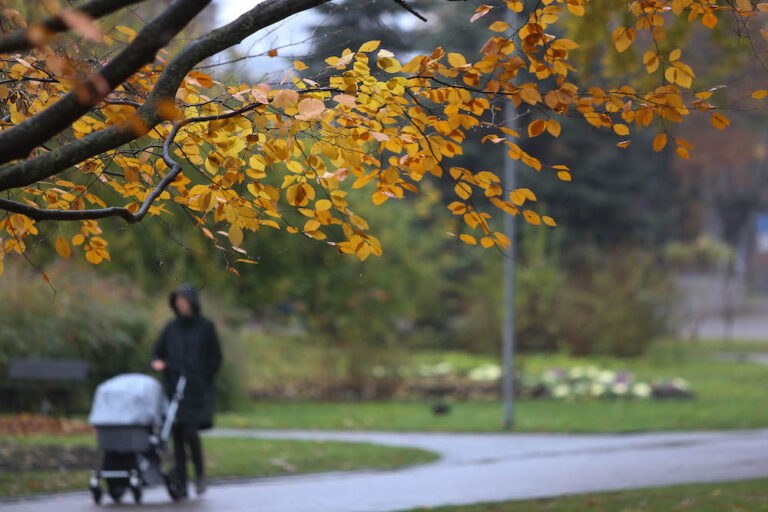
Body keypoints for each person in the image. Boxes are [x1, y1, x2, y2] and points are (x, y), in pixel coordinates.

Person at [151, 284, 222, 498]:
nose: (181, 305)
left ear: (192, 302)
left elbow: (215, 358)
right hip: (174, 387)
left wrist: (203, 378)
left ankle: (200, 473)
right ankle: (181, 481)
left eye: (184, 301)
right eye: (178, 302)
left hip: (195, 388)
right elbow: (157, 353)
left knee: (190, 432)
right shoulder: (171, 328)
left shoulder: (205, 327)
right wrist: (158, 363)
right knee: (177, 435)